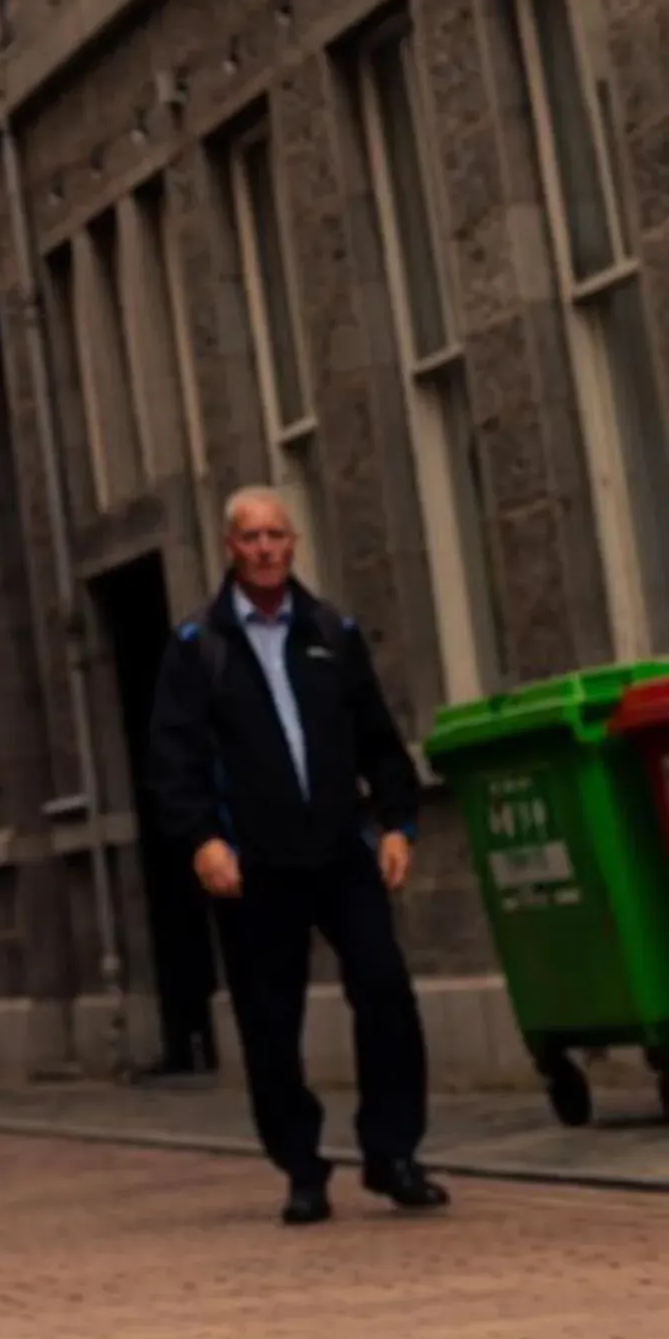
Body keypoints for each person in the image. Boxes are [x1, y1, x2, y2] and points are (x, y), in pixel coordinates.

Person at [146, 489, 448, 1227]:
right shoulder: (199, 647)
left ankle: (393, 1153)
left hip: (341, 849)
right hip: (254, 863)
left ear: (295, 542)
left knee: (384, 988)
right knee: (269, 1021)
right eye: (250, 537)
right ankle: (302, 1169)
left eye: (277, 535)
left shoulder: (331, 633)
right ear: (229, 548)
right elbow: (172, 757)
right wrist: (202, 840)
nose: (265, 549)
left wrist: (399, 822)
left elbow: (379, 735)